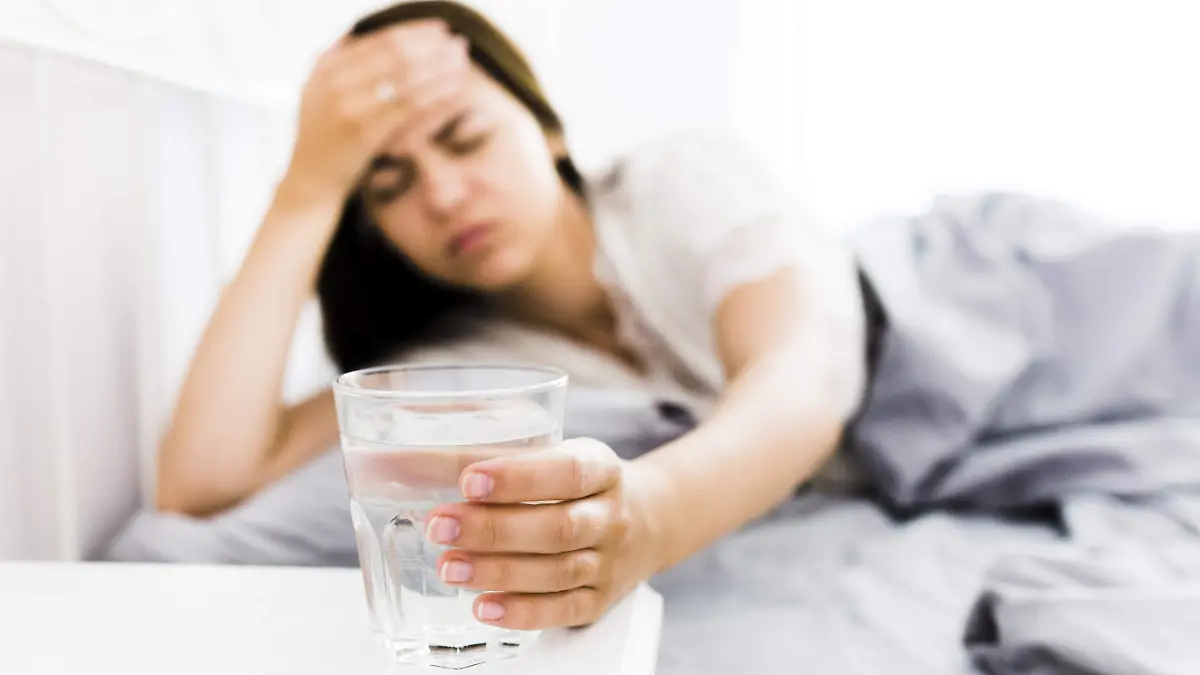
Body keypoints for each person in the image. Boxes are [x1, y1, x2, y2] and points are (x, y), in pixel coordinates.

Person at [155, 0, 873, 631]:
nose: (442, 193)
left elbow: (804, 377)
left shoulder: (677, 183)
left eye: (465, 138)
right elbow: (202, 487)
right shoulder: (450, 367)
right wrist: (307, 189)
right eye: (390, 185)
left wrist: (648, 520)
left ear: (547, 127)